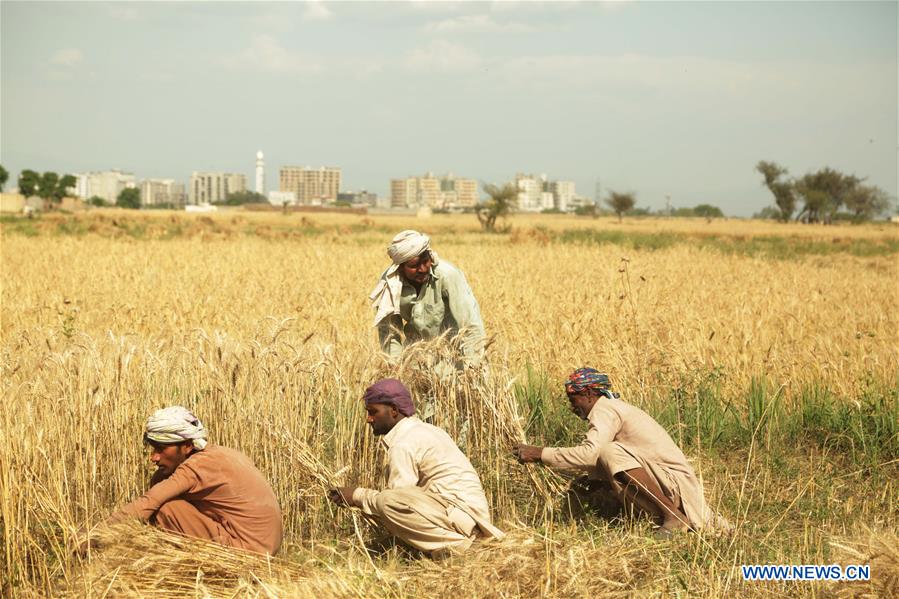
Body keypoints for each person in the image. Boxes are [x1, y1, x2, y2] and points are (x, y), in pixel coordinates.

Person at [514, 368, 726, 538]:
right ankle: (662, 515)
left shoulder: (604, 409)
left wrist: (540, 453)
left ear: (588, 394)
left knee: (609, 453)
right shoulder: (612, 408)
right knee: (600, 467)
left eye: (573, 400)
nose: (572, 408)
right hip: (670, 483)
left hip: (675, 485)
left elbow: (591, 454)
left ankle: (672, 515)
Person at [328, 378, 504, 557]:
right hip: (468, 518)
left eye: (373, 412)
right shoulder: (428, 430)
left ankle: (464, 549)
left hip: (461, 520)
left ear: (394, 410)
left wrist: (357, 496)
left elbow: (398, 501)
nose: (369, 419)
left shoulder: (404, 443)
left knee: (388, 501)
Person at [103, 406, 283, 554]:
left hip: (248, 552)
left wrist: (97, 535)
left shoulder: (196, 468)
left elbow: (149, 501)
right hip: (265, 548)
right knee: (160, 481)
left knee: (165, 507)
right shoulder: (222, 453)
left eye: (161, 449)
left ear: (187, 446)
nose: (154, 457)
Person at [369, 230, 485, 368]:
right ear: (400, 268)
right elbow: (389, 332)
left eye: (425, 261)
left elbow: (470, 323)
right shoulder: (390, 284)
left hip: (454, 356)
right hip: (416, 359)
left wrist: (474, 366)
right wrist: (396, 369)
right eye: (414, 266)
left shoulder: (447, 275)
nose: (423, 269)